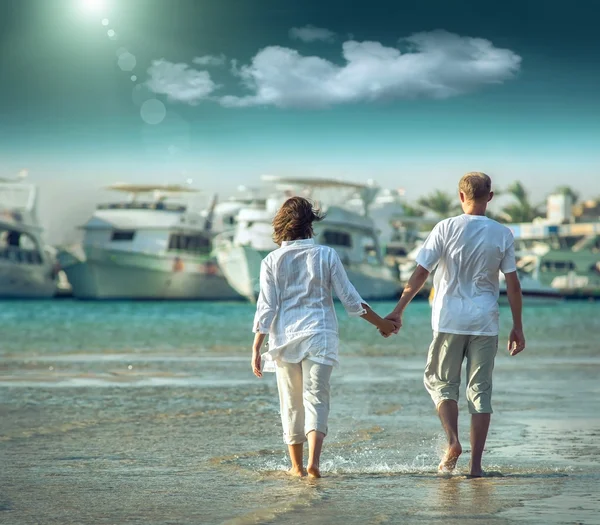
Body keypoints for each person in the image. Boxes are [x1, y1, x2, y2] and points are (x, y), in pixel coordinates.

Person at [384, 172, 525, 478]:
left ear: (461, 196)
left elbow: (421, 273)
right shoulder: (502, 233)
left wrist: (398, 311)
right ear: (490, 196)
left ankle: (453, 442)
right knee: (480, 391)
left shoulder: (445, 227)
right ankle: (475, 468)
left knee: (442, 384)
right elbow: (513, 285)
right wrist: (518, 326)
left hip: (449, 320)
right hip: (486, 323)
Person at [251, 196, 396, 478]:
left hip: (284, 339)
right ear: (311, 223)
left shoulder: (270, 261)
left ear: (282, 224)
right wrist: (382, 324)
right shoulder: (326, 255)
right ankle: (314, 465)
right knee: (316, 399)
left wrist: (256, 347)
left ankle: (296, 468)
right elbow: (352, 302)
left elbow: (266, 307)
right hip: (320, 335)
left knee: (291, 404)